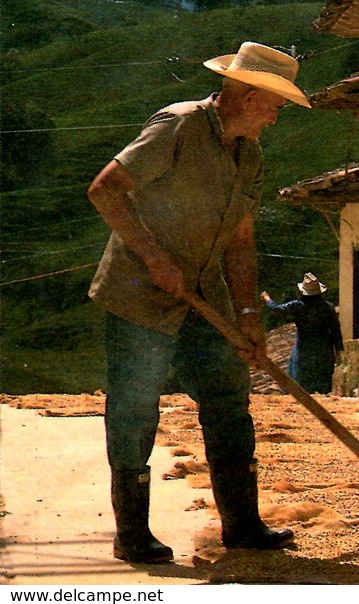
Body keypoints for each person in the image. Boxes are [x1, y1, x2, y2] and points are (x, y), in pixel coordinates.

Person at [87, 40, 311, 564]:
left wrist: (250, 316)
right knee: (136, 407)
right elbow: (105, 189)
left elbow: (240, 241)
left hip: (202, 296)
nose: (276, 119)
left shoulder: (249, 154)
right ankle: (132, 534)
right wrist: (153, 257)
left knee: (229, 399)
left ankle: (242, 525)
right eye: (274, 105)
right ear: (246, 94)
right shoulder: (179, 126)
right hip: (141, 292)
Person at [260, 272, 343, 394]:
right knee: (322, 381)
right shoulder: (327, 307)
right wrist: (339, 349)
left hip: (304, 348)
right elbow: (336, 329)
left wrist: (267, 299)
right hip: (324, 348)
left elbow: (277, 310)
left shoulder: (298, 306)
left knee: (301, 380)